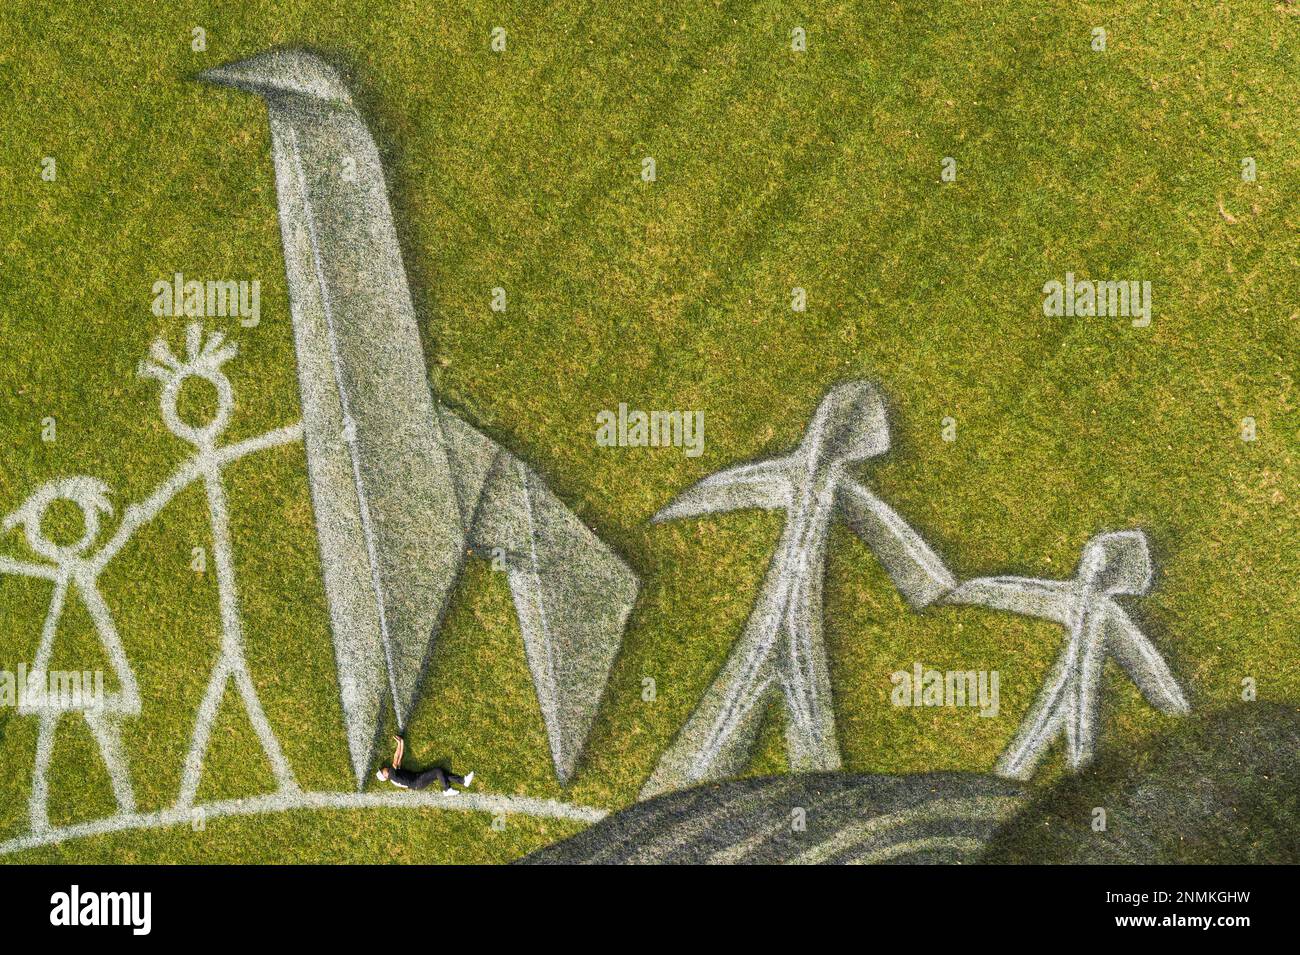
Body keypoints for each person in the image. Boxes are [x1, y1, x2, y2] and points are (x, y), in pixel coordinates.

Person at [376, 736, 473, 795]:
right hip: (418, 782)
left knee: (441, 774)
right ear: (385, 776)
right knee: (437, 771)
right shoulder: (392, 775)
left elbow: (399, 757)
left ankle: (463, 781)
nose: (383, 768)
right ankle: (447, 790)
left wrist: (401, 743)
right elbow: (396, 757)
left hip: (418, 781)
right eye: (382, 771)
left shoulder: (394, 774)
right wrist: (399, 744)